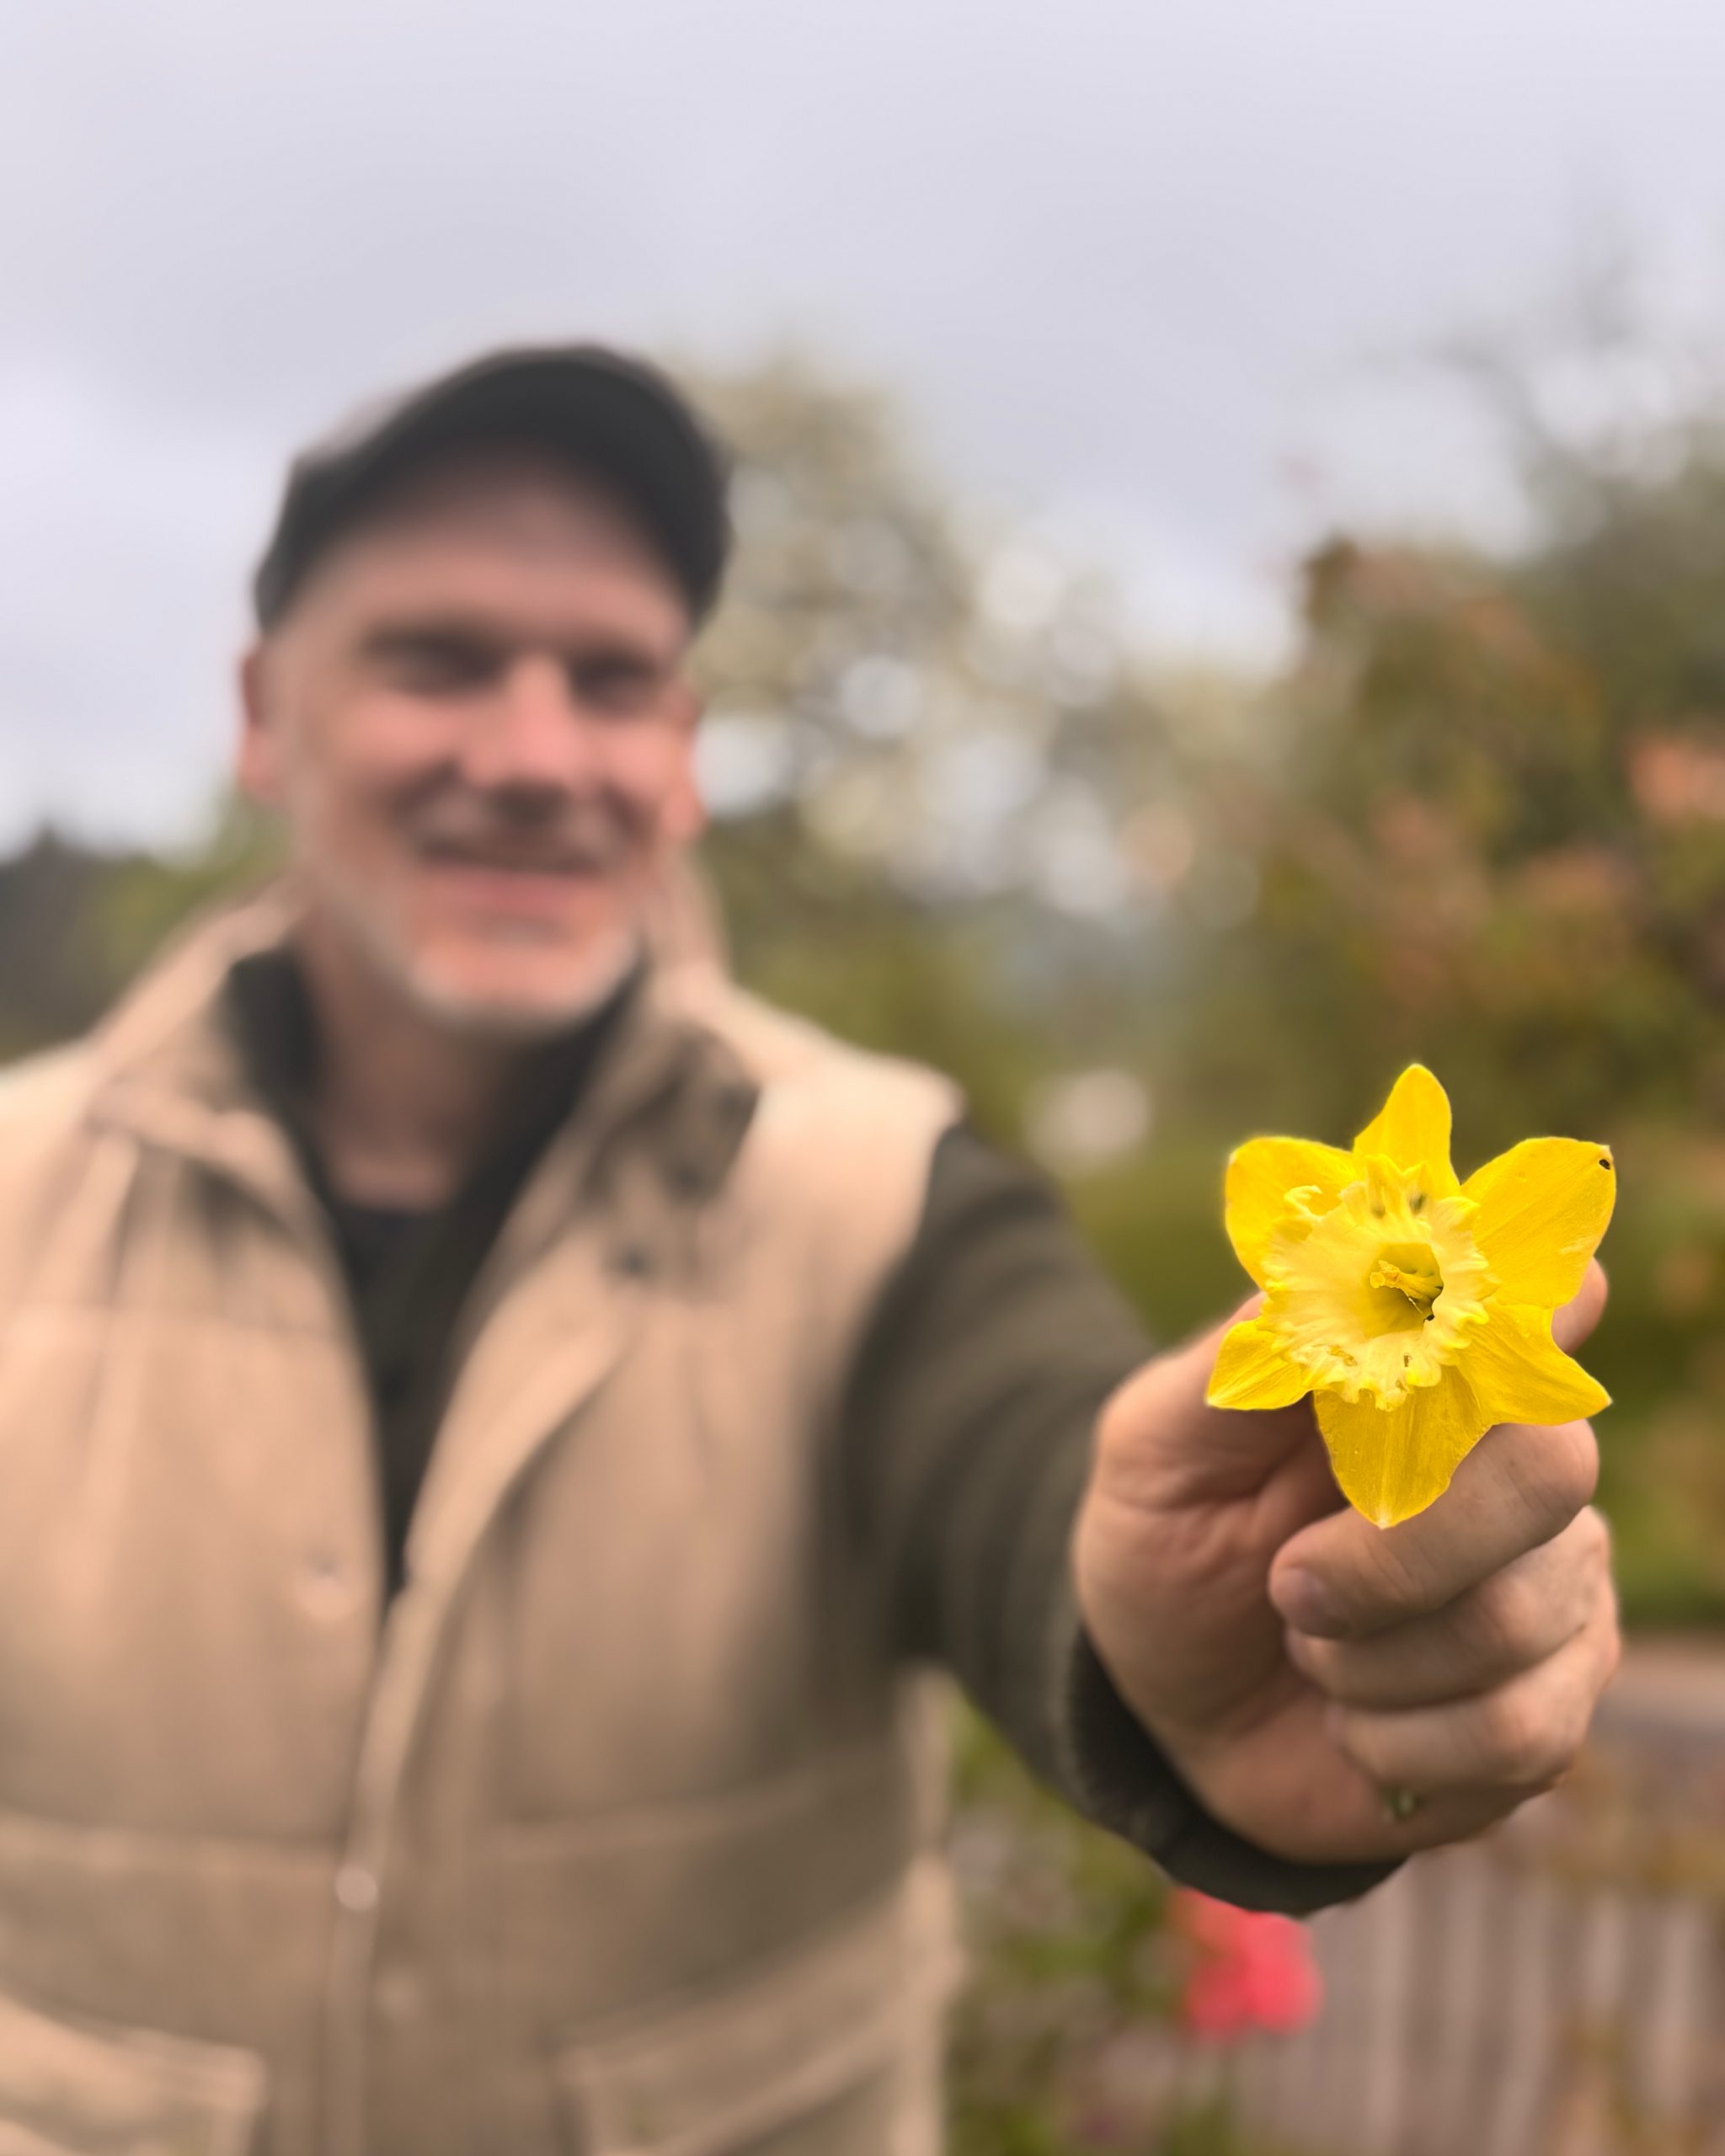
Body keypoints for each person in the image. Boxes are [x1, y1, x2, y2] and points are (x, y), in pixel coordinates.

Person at [0, 347, 1618, 2156]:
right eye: (437, 659)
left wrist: (1169, 1641)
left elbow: (1024, 1442)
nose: (534, 754)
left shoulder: (885, 1188)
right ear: (259, 710)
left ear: (681, 755)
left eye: (610, 681)